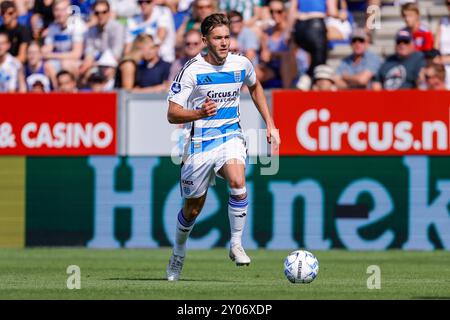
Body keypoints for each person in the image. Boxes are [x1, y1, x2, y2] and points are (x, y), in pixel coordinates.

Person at [166, 13, 280, 281]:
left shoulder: (241, 63)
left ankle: (236, 244)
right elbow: (172, 114)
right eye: (218, 38)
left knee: (238, 180)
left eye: (227, 37)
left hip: (231, 137)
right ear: (205, 41)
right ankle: (178, 253)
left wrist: (270, 124)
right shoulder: (192, 70)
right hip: (200, 145)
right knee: (193, 209)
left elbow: (256, 87)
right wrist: (198, 113)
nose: (224, 42)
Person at [288, 0, 338, 78]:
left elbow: (292, 12)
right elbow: (332, 11)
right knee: (319, 68)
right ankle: (307, 82)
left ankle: (305, 81)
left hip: (299, 28)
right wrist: (340, 14)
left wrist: (289, 32)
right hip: (316, 26)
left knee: (312, 61)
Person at [42, 0, 87, 79]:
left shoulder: (77, 25)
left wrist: (52, 55)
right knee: (47, 65)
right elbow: (47, 49)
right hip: (62, 59)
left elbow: (77, 54)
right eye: (57, 10)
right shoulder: (52, 27)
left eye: (63, 10)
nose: (59, 13)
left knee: (66, 64)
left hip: (79, 61)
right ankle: (57, 90)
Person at [257, 0, 295, 88]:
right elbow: (265, 53)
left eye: (279, 11)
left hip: (291, 67)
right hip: (273, 68)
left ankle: (286, 94)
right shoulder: (267, 32)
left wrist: (273, 54)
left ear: (285, 12)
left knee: (285, 60)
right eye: (272, 12)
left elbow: (292, 54)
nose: (275, 15)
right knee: (255, 72)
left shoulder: (291, 32)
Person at [80, 0, 125, 76]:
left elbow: (116, 54)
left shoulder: (117, 27)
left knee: (107, 71)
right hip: (95, 63)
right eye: (97, 13)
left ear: (109, 13)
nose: (100, 15)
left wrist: (95, 64)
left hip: (112, 63)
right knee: (82, 69)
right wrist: (88, 63)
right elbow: (89, 52)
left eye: (104, 12)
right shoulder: (90, 30)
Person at [434, 0, 450, 89]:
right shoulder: (442, 22)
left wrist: (445, 59)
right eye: (448, 3)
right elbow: (435, 48)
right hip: (442, 69)